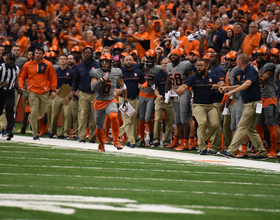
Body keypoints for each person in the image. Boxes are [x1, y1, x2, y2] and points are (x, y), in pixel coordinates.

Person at [218, 53, 268, 160]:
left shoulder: (250, 71)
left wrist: (233, 91)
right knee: (250, 129)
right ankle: (262, 152)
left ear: (241, 61)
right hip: (250, 103)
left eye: (236, 60)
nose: (235, 61)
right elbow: (241, 85)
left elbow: (247, 84)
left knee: (241, 126)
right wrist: (227, 88)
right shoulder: (244, 71)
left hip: (252, 103)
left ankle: (231, 151)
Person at [175, 58, 225, 155]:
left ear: (207, 66)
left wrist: (219, 85)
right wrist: (179, 90)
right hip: (198, 105)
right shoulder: (193, 78)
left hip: (211, 105)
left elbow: (222, 83)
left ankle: (201, 139)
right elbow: (185, 86)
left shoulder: (213, 77)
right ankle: (202, 148)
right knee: (202, 122)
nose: (198, 67)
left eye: (201, 65)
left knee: (215, 125)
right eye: (197, 65)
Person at [90, 53, 128, 152]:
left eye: (107, 62)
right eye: (103, 62)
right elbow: (93, 88)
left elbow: (123, 85)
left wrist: (125, 99)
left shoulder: (116, 72)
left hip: (110, 100)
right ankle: (101, 144)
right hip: (99, 101)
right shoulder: (95, 72)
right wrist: (100, 81)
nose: (104, 64)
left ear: (111, 63)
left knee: (114, 116)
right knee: (99, 127)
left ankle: (116, 140)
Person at [18, 46, 57, 140]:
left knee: (42, 113)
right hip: (32, 91)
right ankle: (35, 134)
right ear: (34, 54)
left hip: (44, 92)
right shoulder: (27, 64)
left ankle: (32, 119)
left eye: (40, 53)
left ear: (42, 54)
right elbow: (21, 77)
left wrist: (54, 90)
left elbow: (53, 78)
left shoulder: (48, 64)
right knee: (34, 111)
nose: (38, 55)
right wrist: (20, 86)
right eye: (36, 53)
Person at [165, 48, 194, 151]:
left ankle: (186, 143)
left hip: (185, 92)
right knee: (177, 120)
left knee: (184, 119)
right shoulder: (168, 66)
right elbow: (168, 81)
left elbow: (192, 78)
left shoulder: (186, 64)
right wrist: (166, 95)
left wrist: (189, 90)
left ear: (180, 56)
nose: (173, 57)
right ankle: (181, 142)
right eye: (172, 55)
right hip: (174, 93)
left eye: (175, 55)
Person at [70, 47, 98, 143]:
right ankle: (81, 137)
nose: (87, 54)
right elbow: (75, 79)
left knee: (93, 117)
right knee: (82, 115)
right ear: (83, 54)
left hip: (94, 94)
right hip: (83, 93)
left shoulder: (97, 65)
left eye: (89, 53)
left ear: (92, 54)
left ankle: (92, 137)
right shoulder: (79, 66)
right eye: (85, 53)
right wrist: (73, 90)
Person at [117, 55, 146, 148]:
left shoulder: (138, 72)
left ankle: (114, 135)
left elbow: (145, 81)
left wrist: (143, 86)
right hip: (124, 99)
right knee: (127, 121)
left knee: (133, 121)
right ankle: (132, 142)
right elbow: (113, 83)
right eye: (127, 60)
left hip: (134, 99)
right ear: (124, 62)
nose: (129, 62)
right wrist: (116, 90)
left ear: (133, 61)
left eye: (130, 60)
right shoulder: (120, 72)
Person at [254, 47, 278, 158]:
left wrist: (253, 71)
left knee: (271, 126)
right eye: (257, 55)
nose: (258, 57)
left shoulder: (270, 66)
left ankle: (273, 150)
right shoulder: (260, 66)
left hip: (269, 98)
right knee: (258, 125)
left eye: (260, 55)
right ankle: (260, 149)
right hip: (260, 98)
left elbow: (262, 79)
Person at [138, 49, 164, 147]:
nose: (149, 60)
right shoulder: (141, 66)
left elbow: (163, 80)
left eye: (151, 58)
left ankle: (151, 135)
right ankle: (141, 138)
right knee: (141, 118)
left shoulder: (158, 68)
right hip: (141, 94)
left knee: (148, 117)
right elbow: (136, 69)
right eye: (148, 58)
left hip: (152, 94)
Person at [49, 54, 74, 139]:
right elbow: (52, 82)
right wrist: (53, 90)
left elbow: (74, 85)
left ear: (67, 61)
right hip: (58, 94)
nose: (62, 60)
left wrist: (70, 96)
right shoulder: (55, 71)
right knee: (54, 114)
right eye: (61, 59)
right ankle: (52, 132)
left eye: (64, 59)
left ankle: (65, 133)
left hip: (67, 94)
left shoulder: (71, 72)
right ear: (59, 60)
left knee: (66, 114)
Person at [153, 57, 174, 147]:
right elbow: (155, 89)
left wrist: (170, 95)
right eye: (163, 63)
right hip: (160, 100)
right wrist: (158, 95)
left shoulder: (173, 74)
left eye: (167, 63)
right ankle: (156, 139)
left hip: (171, 100)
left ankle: (167, 140)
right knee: (157, 119)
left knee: (169, 121)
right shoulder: (157, 75)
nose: (165, 65)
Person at [0, 52, 20, 140]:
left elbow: (16, 79)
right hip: (0, 91)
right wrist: (1, 84)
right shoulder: (1, 67)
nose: (12, 61)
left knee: (10, 109)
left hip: (10, 91)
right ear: (7, 59)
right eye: (10, 59)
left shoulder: (17, 68)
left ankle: (9, 130)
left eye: (13, 60)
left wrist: (19, 87)